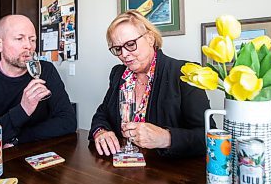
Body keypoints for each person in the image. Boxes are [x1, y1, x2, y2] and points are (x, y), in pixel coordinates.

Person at [89, 10, 214, 158]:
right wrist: (100, 131)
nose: (123, 54)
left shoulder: (185, 73)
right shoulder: (118, 74)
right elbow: (102, 114)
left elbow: (209, 136)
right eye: (118, 48)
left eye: (130, 44)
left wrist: (166, 138)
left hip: (169, 174)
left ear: (150, 38)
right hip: (122, 172)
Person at [0, 15, 77, 160]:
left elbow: (68, 121)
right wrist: (23, 110)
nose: (28, 46)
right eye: (19, 38)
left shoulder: (46, 70)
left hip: (37, 159)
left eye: (32, 39)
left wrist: (16, 139)